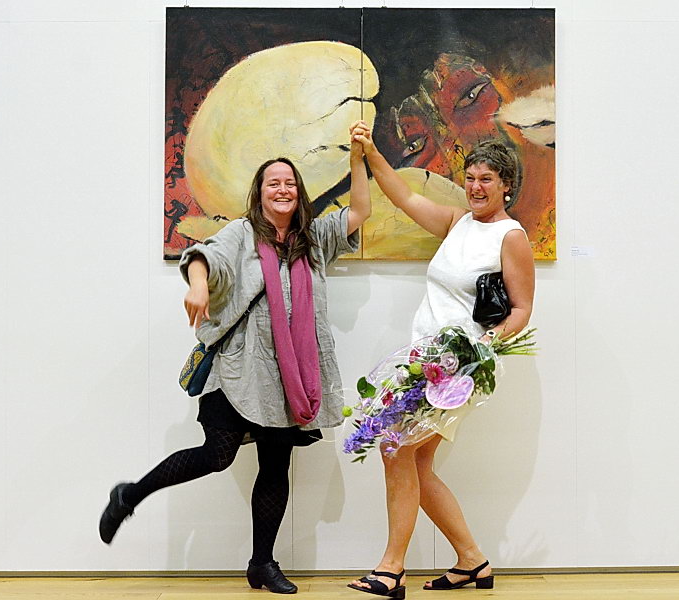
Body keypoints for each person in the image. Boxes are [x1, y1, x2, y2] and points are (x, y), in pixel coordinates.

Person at [99, 125, 371, 595]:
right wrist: (198, 286)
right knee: (217, 455)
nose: (282, 189)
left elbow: (361, 211)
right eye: (273, 183)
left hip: (291, 375)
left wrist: (358, 161)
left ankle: (262, 564)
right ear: (259, 193)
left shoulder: (313, 237)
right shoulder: (242, 234)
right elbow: (202, 256)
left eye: (290, 183)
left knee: (275, 464)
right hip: (241, 369)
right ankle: (130, 494)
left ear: (299, 193)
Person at [347, 123, 534, 598]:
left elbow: (521, 310)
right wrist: (369, 151)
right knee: (415, 462)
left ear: (506, 185)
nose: (475, 187)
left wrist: (479, 347)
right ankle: (472, 561)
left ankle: (392, 569)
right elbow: (402, 196)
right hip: (424, 360)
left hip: (461, 369)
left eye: (486, 179)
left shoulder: (511, 236)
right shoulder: (456, 222)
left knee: (396, 448)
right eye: (470, 177)